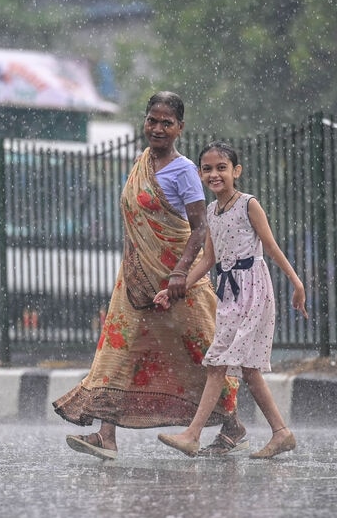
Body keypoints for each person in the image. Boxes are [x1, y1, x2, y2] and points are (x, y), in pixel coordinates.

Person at [53, 92, 247, 460]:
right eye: (152, 121)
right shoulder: (141, 162)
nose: (158, 129)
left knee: (203, 349)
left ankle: (233, 424)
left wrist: (179, 273)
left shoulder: (185, 170)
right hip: (135, 278)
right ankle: (106, 435)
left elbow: (199, 228)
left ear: (180, 128)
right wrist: (134, 266)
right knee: (120, 348)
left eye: (166, 123)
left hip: (179, 280)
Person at [155, 141, 308, 459]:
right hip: (228, 293)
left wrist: (296, 283)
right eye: (207, 169)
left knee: (221, 364)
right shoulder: (211, 211)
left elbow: (272, 247)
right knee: (239, 368)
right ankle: (281, 433)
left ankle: (193, 434)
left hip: (252, 290)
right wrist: (175, 287)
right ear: (199, 174)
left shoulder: (248, 204)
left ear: (235, 171)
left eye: (221, 168)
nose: (215, 174)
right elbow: (207, 259)